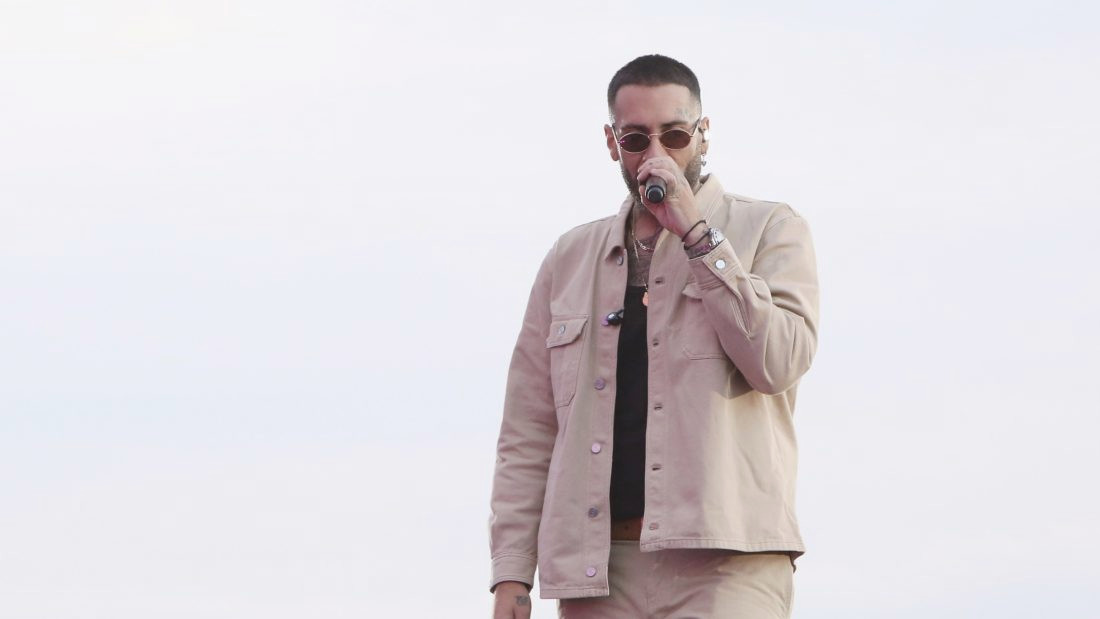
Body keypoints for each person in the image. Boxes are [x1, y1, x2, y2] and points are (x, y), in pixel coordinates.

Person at [489, 54, 820, 618]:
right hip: (599, 572)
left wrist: (698, 235)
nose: (657, 155)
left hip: (727, 565)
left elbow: (779, 361)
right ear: (612, 143)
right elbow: (529, 428)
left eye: (675, 135)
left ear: (703, 133)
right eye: (637, 139)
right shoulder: (570, 259)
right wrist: (512, 573)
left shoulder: (770, 228)